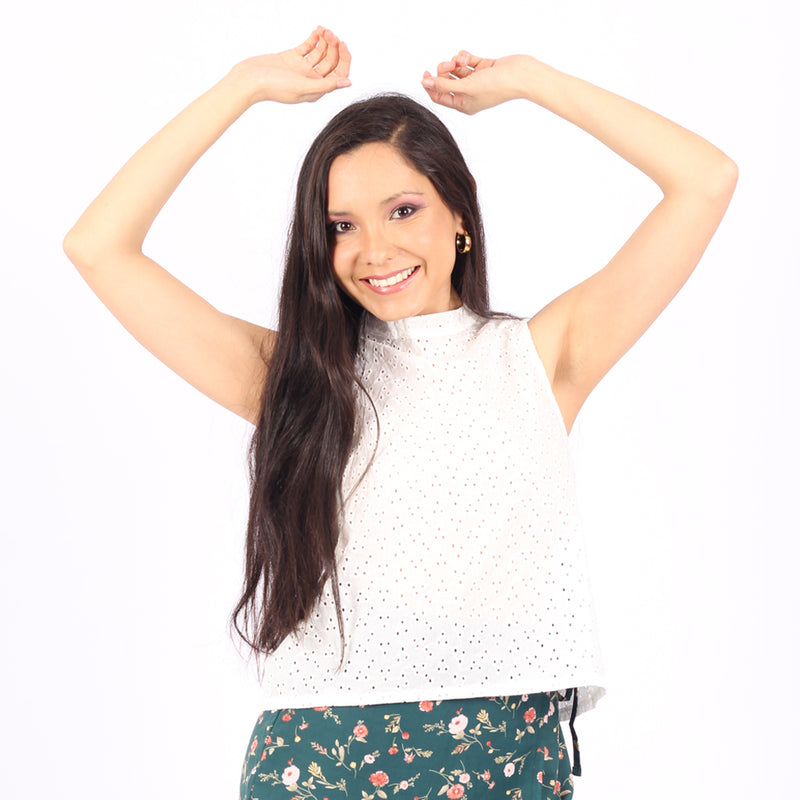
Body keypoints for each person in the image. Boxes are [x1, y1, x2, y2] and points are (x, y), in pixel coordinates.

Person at [63, 26, 737, 800]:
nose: (374, 250)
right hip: (317, 762)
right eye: (341, 226)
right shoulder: (297, 379)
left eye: (404, 210)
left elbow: (706, 180)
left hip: (502, 755)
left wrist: (532, 79)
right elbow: (97, 247)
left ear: (461, 214)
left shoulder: (540, 358)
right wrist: (241, 87)